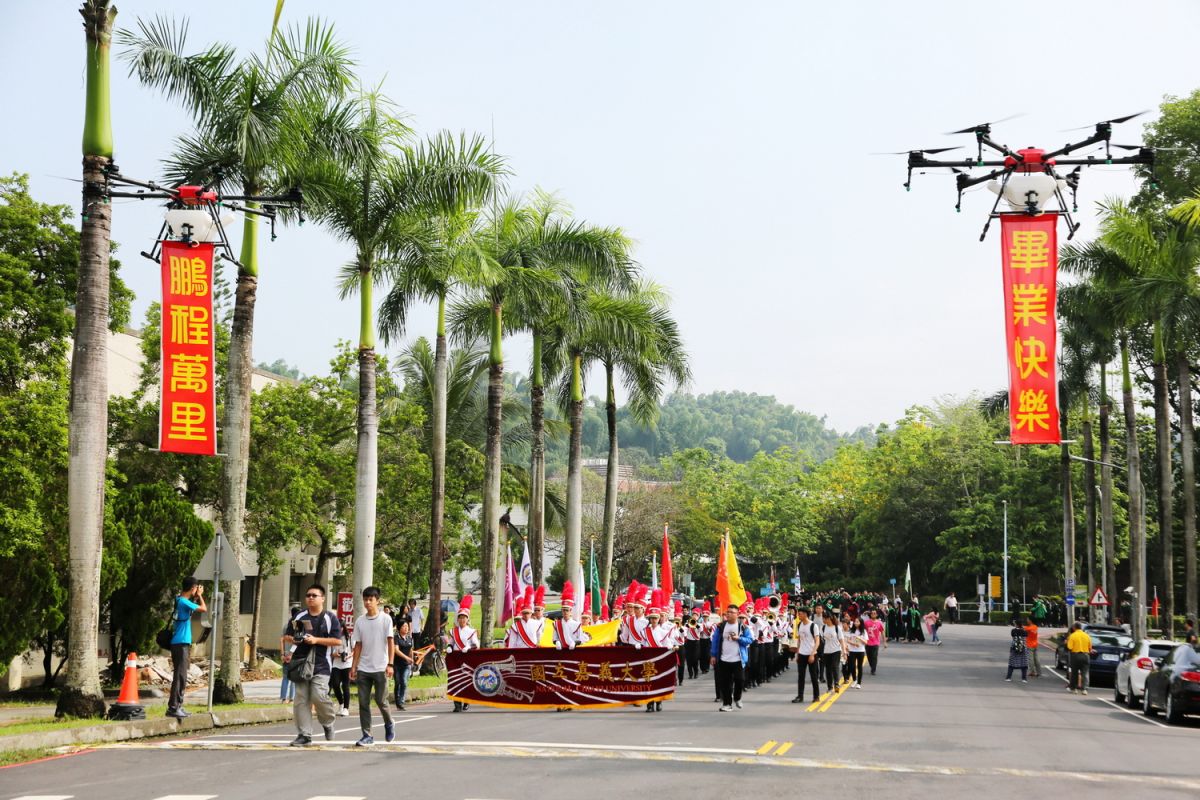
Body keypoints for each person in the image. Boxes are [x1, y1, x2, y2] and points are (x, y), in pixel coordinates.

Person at [285, 584, 342, 747]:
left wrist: (316, 640)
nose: (310, 598)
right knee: (301, 699)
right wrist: (295, 640)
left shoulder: (330, 618)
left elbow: (337, 641)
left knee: (319, 695)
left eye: (314, 595)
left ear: (322, 598)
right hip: (301, 663)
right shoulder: (299, 616)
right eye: (308, 595)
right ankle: (304, 735)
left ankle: (328, 722)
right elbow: (288, 636)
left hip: (321, 664)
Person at [350, 586, 396, 747]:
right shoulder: (360, 621)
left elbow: (391, 643)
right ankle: (367, 735)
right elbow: (358, 645)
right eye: (365, 599)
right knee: (363, 703)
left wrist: (390, 664)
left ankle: (389, 723)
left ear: (378, 601)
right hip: (364, 668)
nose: (368, 602)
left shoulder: (386, 619)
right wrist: (354, 666)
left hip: (381, 667)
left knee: (381, 701)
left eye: (371, 599)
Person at [167, 577, 207, 719]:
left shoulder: (180, 600)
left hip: (179, 643)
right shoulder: (184, 601)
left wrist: (195, 596)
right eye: (196, 588)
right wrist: (200, 596)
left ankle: (177, 706)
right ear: (192, 588)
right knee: (180, 676)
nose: (197, 590)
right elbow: (203, 609)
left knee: (181, 676)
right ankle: (173, 708)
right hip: (181, 643)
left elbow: (191, 609)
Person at [710, 604, 752, 711]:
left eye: (731, 612)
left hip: (738, 659)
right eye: (727, 612)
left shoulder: (743, 627)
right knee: (725, 683)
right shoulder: (721, 626)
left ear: (737, 614)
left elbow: (749, 640)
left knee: (740, 680)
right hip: (724, 659)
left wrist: (739, 638)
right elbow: (715, 641)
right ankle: (727, 704)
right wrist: (713, 655)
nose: (728, 614)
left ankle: (737, 697)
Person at [447, 595, 478, 712]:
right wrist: (449, 647)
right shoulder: (453, 631)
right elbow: (451, 642)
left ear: (467, 619)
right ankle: (457, 705)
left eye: (464, 618)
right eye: (460, 618)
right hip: (456, 659)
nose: (462, 620)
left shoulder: (472, 631)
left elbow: (476, 644)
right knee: (456, 680)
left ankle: (466, 701)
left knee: (466, 680)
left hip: (467, 657)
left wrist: (468, 647)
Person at [791, 606, 820, 703]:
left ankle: (816, 696)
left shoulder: (813, 626)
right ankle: (800, 696)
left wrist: (812, 654)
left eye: (800, 614)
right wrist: (798, 653)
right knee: (801, 676)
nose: (798, 616)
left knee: (814, 676)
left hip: (811, 654)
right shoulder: (799, 625)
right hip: (802, 654)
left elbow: (817, 641)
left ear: (805, 614)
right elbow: (799, 639)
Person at [278, 605, 301, 703]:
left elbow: (281, 640)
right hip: (294, 655)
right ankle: (292, 699)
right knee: (293, 679)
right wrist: (291, 654)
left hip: (286, 655)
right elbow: (297, 642)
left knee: (285, 678)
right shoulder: (298, 626)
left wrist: (282, 654)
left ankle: (283, 698)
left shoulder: (285, 626)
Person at [819, 609, 843, 694]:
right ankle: (830, 687)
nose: (823, 620)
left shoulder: (837, 628)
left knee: (835, 666)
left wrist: (844, 651)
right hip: (826, 651)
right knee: (828, 669)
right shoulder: (823, 628)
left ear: (829, 618)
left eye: (824, 618)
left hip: (836, 650)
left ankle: (836, 684)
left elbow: (841, 640)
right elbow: (821, 640)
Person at [330, 627, 352, 717]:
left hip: (347, 664)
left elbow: (354, 650)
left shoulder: (349, 637)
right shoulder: (333, 637)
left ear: (343, 628)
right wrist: (334, 654)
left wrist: (348, 656)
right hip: (336, 664)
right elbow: (330, 652)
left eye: (340, 627)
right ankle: (341, 703)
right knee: (335, 684)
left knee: (345, 686)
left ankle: (346, 708)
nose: (338, 629)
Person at [1065, 622, 1091, 695]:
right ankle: (1084, 689)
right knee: (1085, 673)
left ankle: (1074, 689)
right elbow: (1090, 648)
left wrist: (1066, 643)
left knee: (1074, 673)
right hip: (1085, 655)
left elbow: (1069, 647)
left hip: (1075, 656)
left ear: (1074, 628)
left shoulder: (1072, 636)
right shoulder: (1087, 636)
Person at [393, 620, 414, 709]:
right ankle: (397, 700)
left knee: (404, 682)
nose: (406, 628)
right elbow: (396, 650)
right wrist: (406, 658)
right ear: (399, 628)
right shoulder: (396, 638)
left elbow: (410, 650)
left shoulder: (410, 638)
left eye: (407, 626)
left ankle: (401, 701)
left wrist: (411, 660)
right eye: (403, 626)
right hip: (397, 664)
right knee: (398, 682)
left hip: (406, 665)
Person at [863, 609, 885, 676]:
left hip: (876, 643)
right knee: (869, 657)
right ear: (870, 614)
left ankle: (873, 670)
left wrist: (884, 642)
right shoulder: (866, 622)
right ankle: (872, 666)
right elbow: (862, 631)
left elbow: (882, 632)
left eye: (874, 613)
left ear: (877, 615)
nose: (873, 614)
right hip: (868, 642)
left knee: (874, 656)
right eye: (872, 613)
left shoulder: (879, 623)